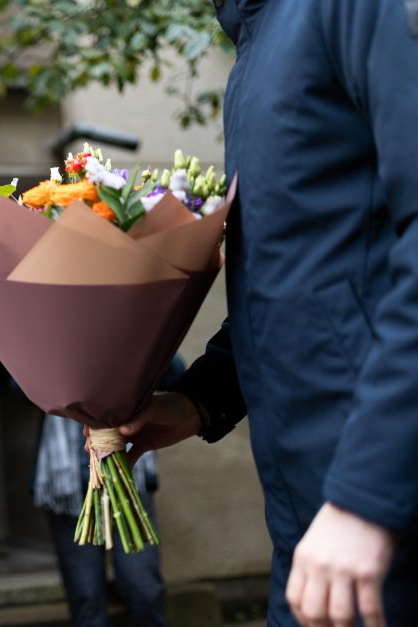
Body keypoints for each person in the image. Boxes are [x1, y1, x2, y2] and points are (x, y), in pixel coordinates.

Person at [120, 2, 418, 626]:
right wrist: (204, 397)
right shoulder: (258, 41)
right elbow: (309, 270)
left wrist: (368, 497)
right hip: (308, 520)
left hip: (378, 514)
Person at [33, 359, 183, 627]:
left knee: (145, 590)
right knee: (86, 599)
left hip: (129, 476)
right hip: (66, 482)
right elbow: (19, 386)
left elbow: (174, 373)